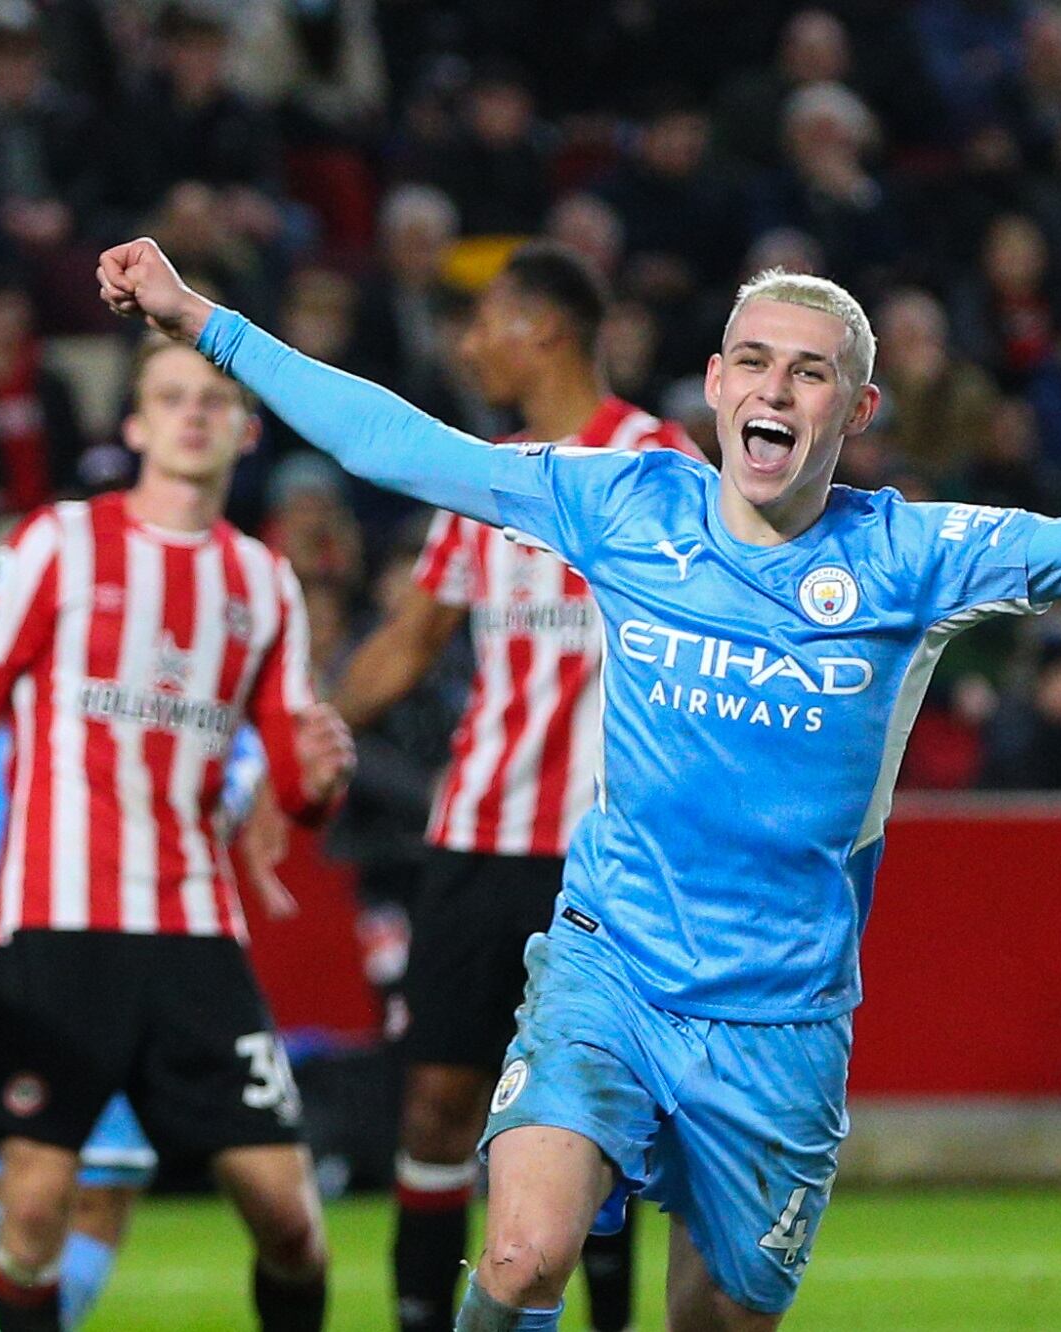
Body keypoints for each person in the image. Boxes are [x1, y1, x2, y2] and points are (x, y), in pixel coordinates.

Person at [96, 236, 1061, 1331]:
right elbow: (403, 445)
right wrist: (201, 319)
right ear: (718, 385)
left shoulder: (915, 557)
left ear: (855, 409)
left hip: (781, 1025)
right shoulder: (629, 506)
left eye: (811, 371)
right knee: (520, 1259)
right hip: (611, 971)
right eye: (754, 360)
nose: (776, 386)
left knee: (713, 1323)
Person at [0, 332, 356, 1332]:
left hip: (194, 940)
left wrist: (320, 781)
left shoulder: (262, 584)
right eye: (172, 396)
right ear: (135, 424)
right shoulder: (53, 546)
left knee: (289, 1220)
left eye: (214, 398)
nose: (194, 413)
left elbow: (293, 791)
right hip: (56, 929)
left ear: (244, 429)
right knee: (28, 1218)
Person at [330, 243, 695, 1332]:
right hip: (478, 837)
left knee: (605, 1113)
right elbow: (409, 637)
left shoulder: (660, 464)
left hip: (609, 847)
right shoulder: (478, 470)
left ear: (541, 327)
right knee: (438, 1103)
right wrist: (301, 735)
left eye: (484, 321)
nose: (468, 345)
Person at [0, 721, 282, 1330]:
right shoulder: (31, 694)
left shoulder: (203, 700)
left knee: (100, 1190)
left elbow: (237, 789)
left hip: (129, 940)